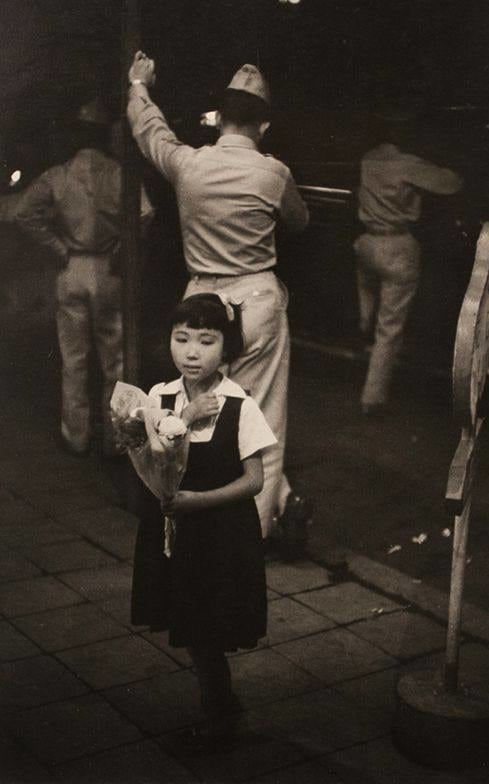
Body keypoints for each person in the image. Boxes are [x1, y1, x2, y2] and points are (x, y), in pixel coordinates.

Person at [126, 51, 310, 541]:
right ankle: (255, 529)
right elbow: (300, 221)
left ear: (219, 119)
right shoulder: (275, 173)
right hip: (258, 300)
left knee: (202, 408)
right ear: (263, 125)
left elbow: (151, 132)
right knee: (260, 418)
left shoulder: (189, 164)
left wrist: (139, 85)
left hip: (203, 305)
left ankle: (198, 519)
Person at [132, 292, 276, 752]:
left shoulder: (240, 405)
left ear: (227, 348)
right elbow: (147, 451)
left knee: (206, 628)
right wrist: (182, 418)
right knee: (192, 625)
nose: (192, 352)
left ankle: (220, 714)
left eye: (206, 341)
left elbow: (254, 481)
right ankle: (221, 707)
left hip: (219, 534)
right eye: (182, 339)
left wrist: (200, 501)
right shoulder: (160, 396)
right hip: (174, 532)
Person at [15, 101, 154, 456]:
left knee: (73, 357)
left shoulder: (58, 174)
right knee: (116, 359)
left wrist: (58, 246)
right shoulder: (121, 173)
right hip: (108, 268)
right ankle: (116, 439)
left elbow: (24, 214)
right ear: (106, 134)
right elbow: (146, 214)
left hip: (72, 267)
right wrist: (124, 247)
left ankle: (75, 435)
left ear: (76, 135)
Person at [354, 120, 462, 415]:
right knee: (389, 327)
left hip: (365, 243)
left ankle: (361, 325)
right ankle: (372, 398)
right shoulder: (408, 164)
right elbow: (451, 184)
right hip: (396, 247)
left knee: (367, 301)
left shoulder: (368, 159)